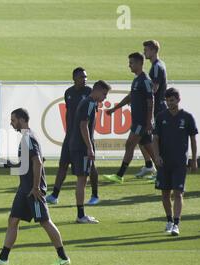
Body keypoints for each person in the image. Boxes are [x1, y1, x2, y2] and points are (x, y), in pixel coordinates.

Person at [0, 108, 70, 265]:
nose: (11, 123)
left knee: (45, 222)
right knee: (13, 220)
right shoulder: (26, 137)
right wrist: (7, 163)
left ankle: (63, 257)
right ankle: (3, 258)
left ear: (22, 120)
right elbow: (30, 161)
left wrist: (36, 187)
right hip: (24, 189)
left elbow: (38, 162)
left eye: (13, 120)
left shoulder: (28, 138)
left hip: (33, 190)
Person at [46, 67, 99, 205]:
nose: (85, 79)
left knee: (90, 167)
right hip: (70, 136)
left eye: (86, 77)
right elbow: (68, 112)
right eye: (82, 77)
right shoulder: (68, 93)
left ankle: (95, 195)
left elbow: (93, 116)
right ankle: (55, 195)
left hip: (85, 137)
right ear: (74, 78)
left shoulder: (90, 93)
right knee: (63, 164)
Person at [104, 52, 157, 183]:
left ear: (139, 63)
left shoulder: (145, 80)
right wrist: (114, 109)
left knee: (130, 145)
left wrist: (149, 121)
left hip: (141, 122)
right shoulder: (137, 79)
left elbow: (151, 101)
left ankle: (119, 175)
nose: (129, 66)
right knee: (148, 147)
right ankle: (162, 172)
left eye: (131, 63)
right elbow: (130, 97)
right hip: (138, 121)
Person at [153, 88, 197, 236]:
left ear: (178, 100)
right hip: (164, 162)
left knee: (178, 193)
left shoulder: (187, 117)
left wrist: (194, 160)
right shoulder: (160, 117)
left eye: (172, 100)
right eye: (167, 100)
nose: (169, 103)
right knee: (165, 194)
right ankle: (169, 220)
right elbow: (155, 139)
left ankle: (176, 224)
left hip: (180, 162)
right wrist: (157, 156)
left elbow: (193, 140)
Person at [69, 81, 111, 224]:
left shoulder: (88, 102)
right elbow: (83, 125)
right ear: (97, 90)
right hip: (81, 147)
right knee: (82, 179)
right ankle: (80, 215)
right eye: (104, 94)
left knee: (82, 178)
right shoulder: (90, 103)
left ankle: (81, 214)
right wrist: (89, 147)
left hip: (78, 145)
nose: (105, 98)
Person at [135, 40, 168, 178]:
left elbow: (154, 89)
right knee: (142, 137)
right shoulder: (158, 65)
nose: (144, 52)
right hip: (157, 107)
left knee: (154, 139)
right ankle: (149, 165)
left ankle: (160, 169)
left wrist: (140, 99)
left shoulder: (156, 67)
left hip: (157, 108)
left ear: (153, 51)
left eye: (146, 50)